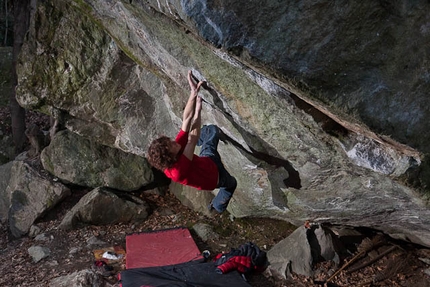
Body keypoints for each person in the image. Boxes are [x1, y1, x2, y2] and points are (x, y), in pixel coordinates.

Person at [146, 71, 237, 213]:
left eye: (170, 142)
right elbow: (193, 137)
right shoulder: (177, 171)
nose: (174, 142)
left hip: (208, 160)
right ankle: (217, 206)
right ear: (170, 157)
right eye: (172, 145)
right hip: (215, 177)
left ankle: (204, 141)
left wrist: (193, 94)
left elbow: (186, 120)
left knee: (211, 130)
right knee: (231, 184)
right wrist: (198, 110)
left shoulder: (174, 151)